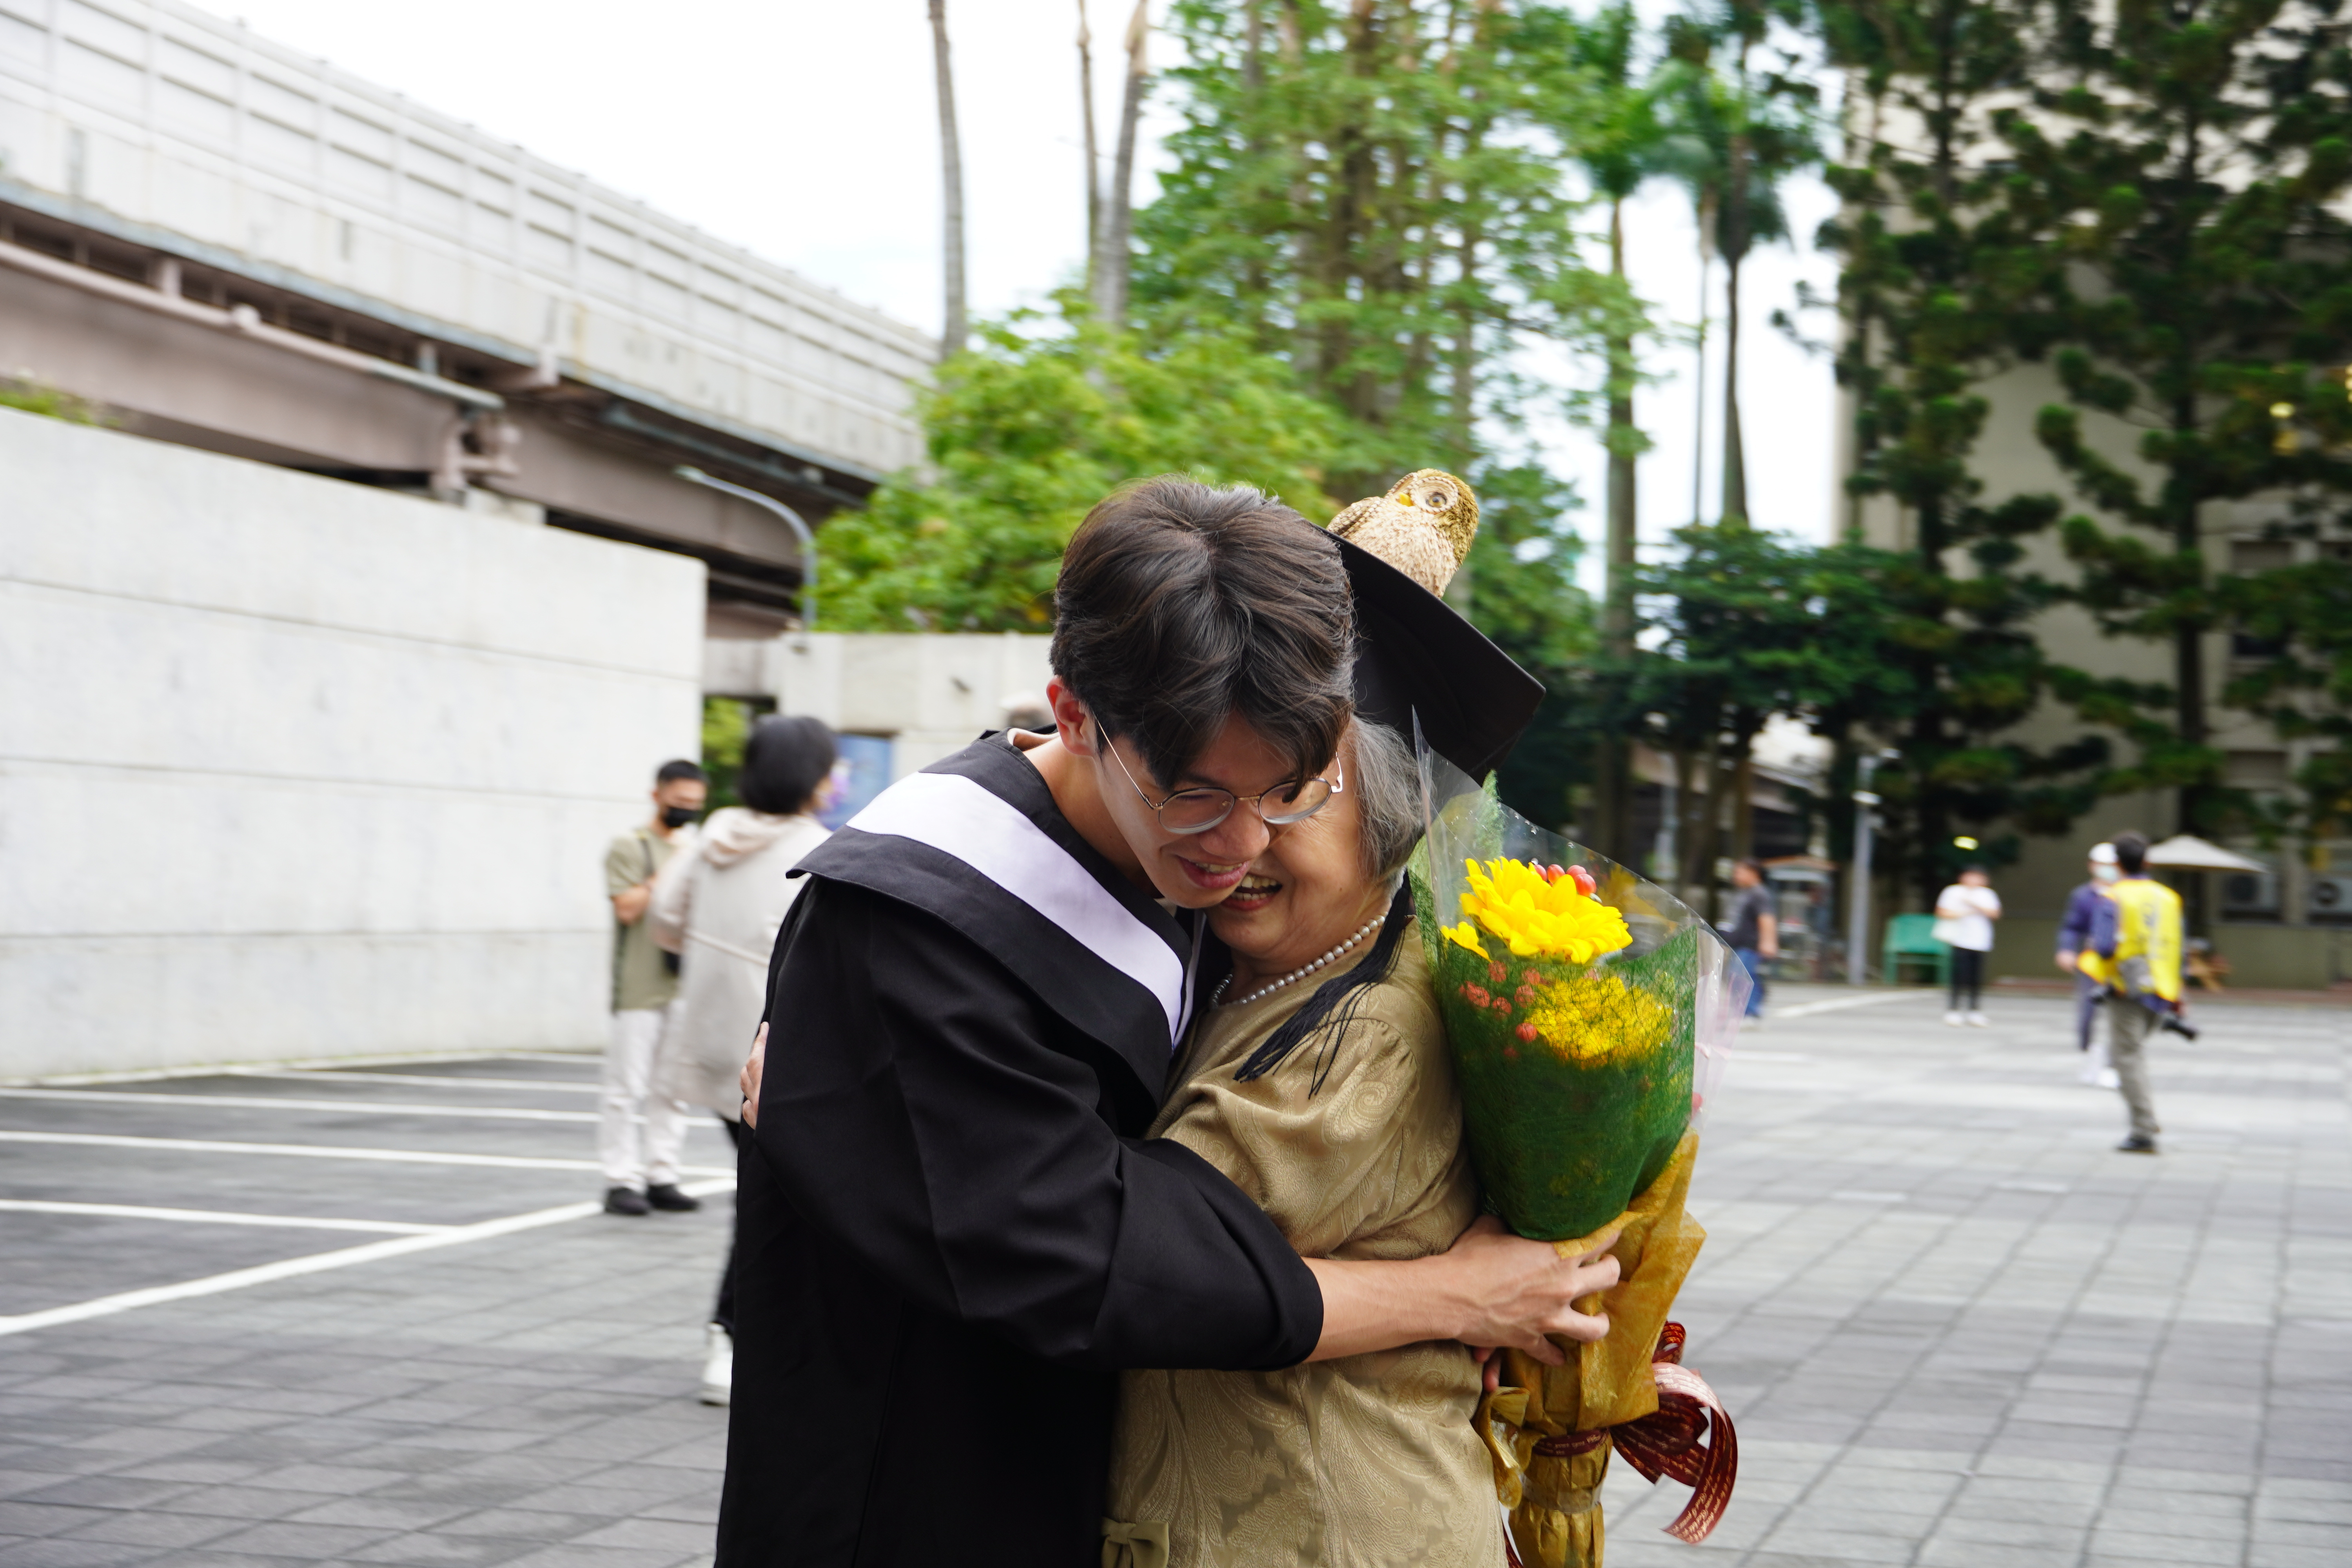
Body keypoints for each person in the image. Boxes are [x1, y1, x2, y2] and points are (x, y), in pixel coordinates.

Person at [717, 479, 1608, 1568]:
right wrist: (1450, 1296)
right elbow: (1089, 1254)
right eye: (1196, 794)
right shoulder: (918, 920)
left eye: (1290, 789)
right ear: (1078, 712)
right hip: (925, 1481)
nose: (1239, 845)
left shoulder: (1186, 874)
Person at [649, 715, 836, 1408]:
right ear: (815, 779)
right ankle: (731, 1334)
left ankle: (748, 1333)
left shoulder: (709, 839)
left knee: (767, 1193)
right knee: (772, 1201)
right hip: (776, 1052)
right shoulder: (819, 850)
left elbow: (665, 921)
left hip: (708, 1041)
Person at [600, 759, 705, 1216]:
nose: (687, 812)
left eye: (695, 805)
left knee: (672, 1086)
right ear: (657, 795)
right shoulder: (631, 846)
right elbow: (627, 908)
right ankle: (620, 1179)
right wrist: (672, 873)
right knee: (626, 1086)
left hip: (684, 983)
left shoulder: (695, 847)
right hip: (640, 986)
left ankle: (663, 1173)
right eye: (680, 803)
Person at [2087, 830, 2184, 1154]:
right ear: (2148, 861)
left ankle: (2144, 1128)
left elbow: (2103, 948)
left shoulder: (2112, 898)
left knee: (2126, 1058)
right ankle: (2145, 1122)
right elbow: (2178, 948)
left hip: (2127, 988)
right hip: (2163, 989)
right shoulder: (2169, 898)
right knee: (2134, 1053)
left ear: (2116, 863)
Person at [2056, 844, 2122, 1087]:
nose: (2107, 871)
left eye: (2111, 866)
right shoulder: (2083, 896)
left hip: (2121, 965)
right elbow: (2072, 926)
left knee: (2120, 1016)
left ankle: (2113, 1064)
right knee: (2087, 1013)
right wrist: (2066, 949)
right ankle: (2089, 1053)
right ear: (2092, 867)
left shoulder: (2125, 893)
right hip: (2092, 964)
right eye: (2102, 866)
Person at [1933, 865, 2001, 1026]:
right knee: (1958, 976)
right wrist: (1965, 912)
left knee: (1976, 978)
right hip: (1959, 939)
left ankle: (1974, 1011)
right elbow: (1942, 912)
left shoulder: (1988, 894)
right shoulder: (1953, 892)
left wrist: (1973, 905)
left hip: (1981, 941)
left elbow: (1995, 914)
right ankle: (1953, 1010)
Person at [1722, 858, 1777, 1022]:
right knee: (1739, 976)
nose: (1736, 876)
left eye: (1740, 872)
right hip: (1739, 944)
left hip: (1749, 944)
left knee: (1742, 978)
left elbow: (1766, 918)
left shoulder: (1759, 893)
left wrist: (1769, 942)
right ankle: (1748, 1010)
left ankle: (1751, 1012)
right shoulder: (1745, 893)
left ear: (1753, 874)